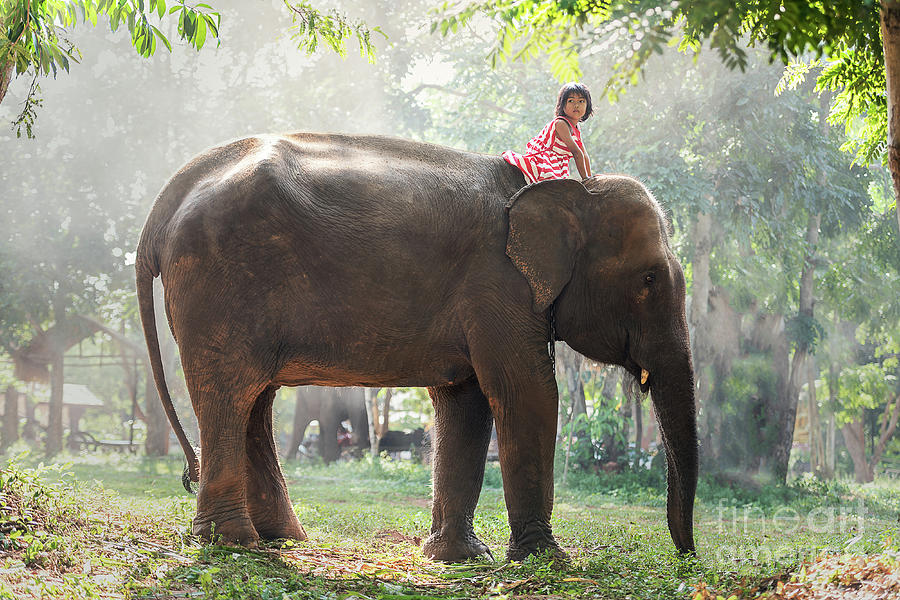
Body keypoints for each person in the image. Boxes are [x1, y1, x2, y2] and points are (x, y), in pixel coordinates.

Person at [502, 82, 593, 183]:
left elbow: (584, 155)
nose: (576, 105)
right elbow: (576, 153)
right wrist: (585, 179)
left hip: (558, 165)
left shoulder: (576, 128)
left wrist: (591, 178)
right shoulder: (561, 124)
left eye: (581, 101)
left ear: (587, 105)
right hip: (543, 161)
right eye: (571, 101)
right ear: (562, 105)